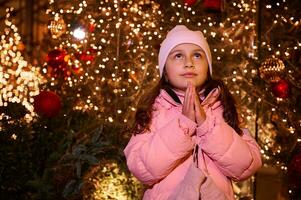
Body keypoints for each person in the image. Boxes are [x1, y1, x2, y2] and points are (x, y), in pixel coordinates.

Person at [124, 25, 262, 200]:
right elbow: (141, 168)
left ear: (208, 68)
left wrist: (207, 125)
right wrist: (183, 125)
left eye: (197, 55)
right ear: (165, 72)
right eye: (178, 55)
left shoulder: (223, 109)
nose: (189, 62)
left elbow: (246, 165)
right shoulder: (154, 112)